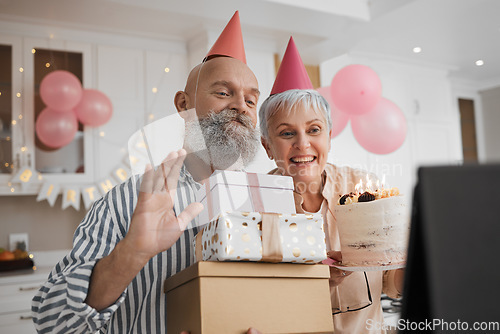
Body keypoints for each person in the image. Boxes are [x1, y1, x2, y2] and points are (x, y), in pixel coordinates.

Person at [32, 12, 262, 334]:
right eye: (224, 93)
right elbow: (51, 322)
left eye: (251, 100)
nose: (241, 106)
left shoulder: (263, 203)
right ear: (183, 104)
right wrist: (132, 252)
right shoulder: (124, 203)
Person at [259, 37, 404, 333]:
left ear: (328, 136)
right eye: (287, 133)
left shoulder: (366, 189)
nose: (303, 144)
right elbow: (258, 301)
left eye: (314, 130)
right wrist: (313, 284)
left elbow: (392, 284)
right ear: (267, 146)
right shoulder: (255, 206)